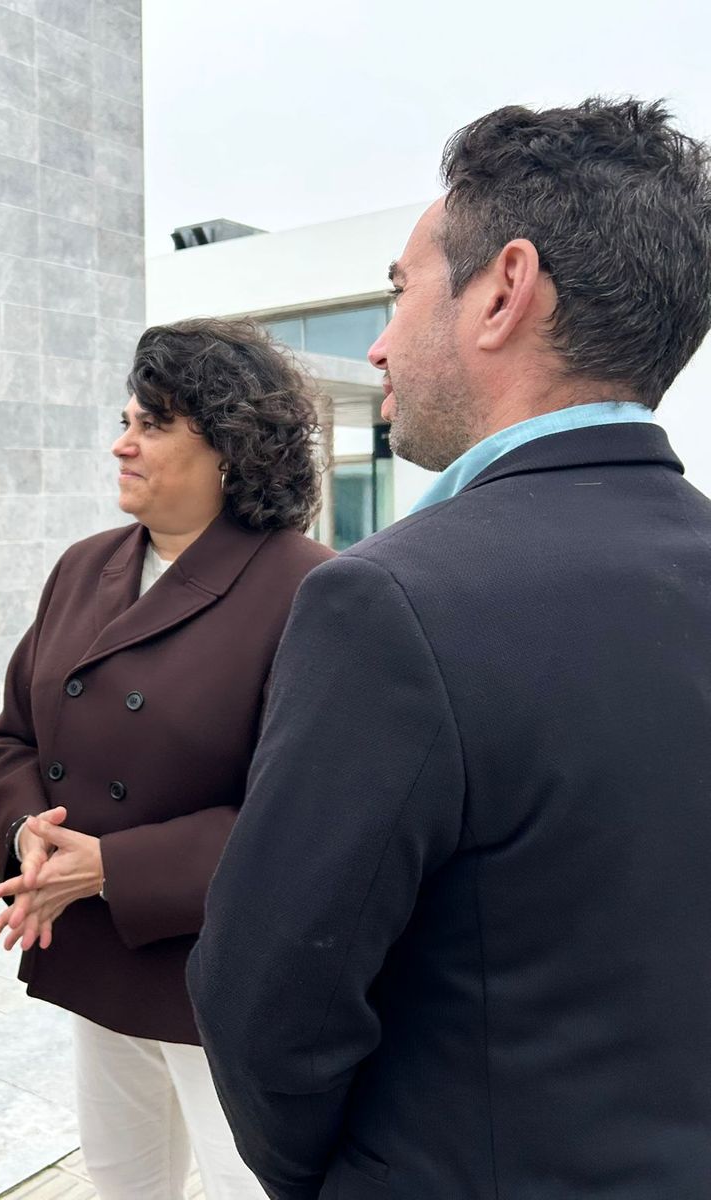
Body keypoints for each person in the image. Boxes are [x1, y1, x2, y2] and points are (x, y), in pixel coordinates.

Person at [189, 99, 711, 1199]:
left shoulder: (388, 604)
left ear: (503, 290)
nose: (376, 341)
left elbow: (264, 1001)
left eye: (395, 288)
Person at [0, 318, 332, 1200]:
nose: (120, 443)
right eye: (125, 417)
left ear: (230, 446)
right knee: (124, 1181)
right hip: (102, 962)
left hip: (225, 981)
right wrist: (31, 833)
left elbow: (308, 815)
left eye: (152, 423)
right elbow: (12, 734)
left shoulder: (313, 589)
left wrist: (114, 866)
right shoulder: (81, 567)